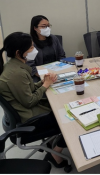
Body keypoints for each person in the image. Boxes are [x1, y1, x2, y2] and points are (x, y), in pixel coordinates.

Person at [0, 32, 67, 168]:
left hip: (20, 113)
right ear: (19, 52)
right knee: (68, 117)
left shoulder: (13, 66)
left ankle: (52, 141)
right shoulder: (16, 73)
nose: (34, 50)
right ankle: (56, 154)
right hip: (28, 118)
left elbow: (27, 88)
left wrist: (43, 82)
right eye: (31, 47)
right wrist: (46, 85)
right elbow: (29, 101)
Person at [27, 15, 66, 82]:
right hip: (39, 76)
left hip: (57, 72)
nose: (47, 28)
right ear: (35, 28)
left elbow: (62, 56)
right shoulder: (30, 43)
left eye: (48, 26)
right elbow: (29, 65)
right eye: (43, 26)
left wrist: (61, 70)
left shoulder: (54, 38)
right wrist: (44, 76)